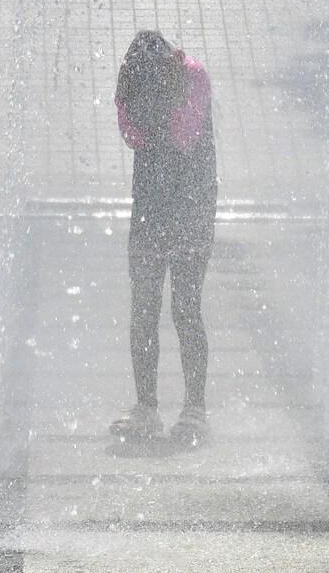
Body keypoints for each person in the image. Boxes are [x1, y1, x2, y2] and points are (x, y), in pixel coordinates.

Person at [110, 31, 218, 446]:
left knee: (186, 307)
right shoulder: (131, 78)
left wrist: (158, 103)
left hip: (193, 201)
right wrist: (133, 99)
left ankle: (194, 409)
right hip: (151, 203)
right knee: (144, 308)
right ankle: (147, 407)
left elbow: (184, 135)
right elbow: (132, 136)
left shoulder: (192, 76)